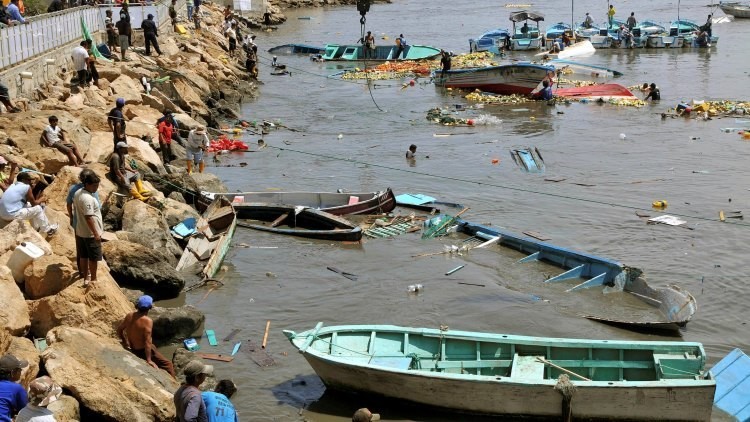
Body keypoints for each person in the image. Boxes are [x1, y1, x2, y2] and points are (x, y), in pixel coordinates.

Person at [117, 295, 176, 377]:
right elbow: (147, 342)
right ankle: (174, 385)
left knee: (153, 346)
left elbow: (120, 329)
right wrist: (149, 360)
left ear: (137, 306)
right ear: (150, 307)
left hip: (133, 347)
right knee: (168, 364)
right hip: (142, 351)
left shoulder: (129, 315)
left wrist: (124, 341)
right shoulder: (147, 321)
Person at [66, 168, 99, 276]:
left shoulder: (74, 189)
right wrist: (96, 232)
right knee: (92, 252)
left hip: (78, 222)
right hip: (90, 225)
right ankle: (91, 275)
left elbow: (68, 204)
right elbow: (93, 210)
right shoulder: (92, 189)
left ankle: (82, 272)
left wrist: (71, 217)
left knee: (81, 250)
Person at [73, 171, 102, 286]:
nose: (96, 188)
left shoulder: (77, 193)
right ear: (87, 184)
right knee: (93, 257)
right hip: (89, 234)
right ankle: (93, 279)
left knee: (83, 256)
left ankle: (86, 278)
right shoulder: (87, 198)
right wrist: (96, 233)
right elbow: (89, 217)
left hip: (80, 230)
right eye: (94, 185)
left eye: (97, 185)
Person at [0, 354, 29, 422]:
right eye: (19, 369)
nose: (21, 371)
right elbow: (25, 410)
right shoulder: (16, 388)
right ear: (12, 373)